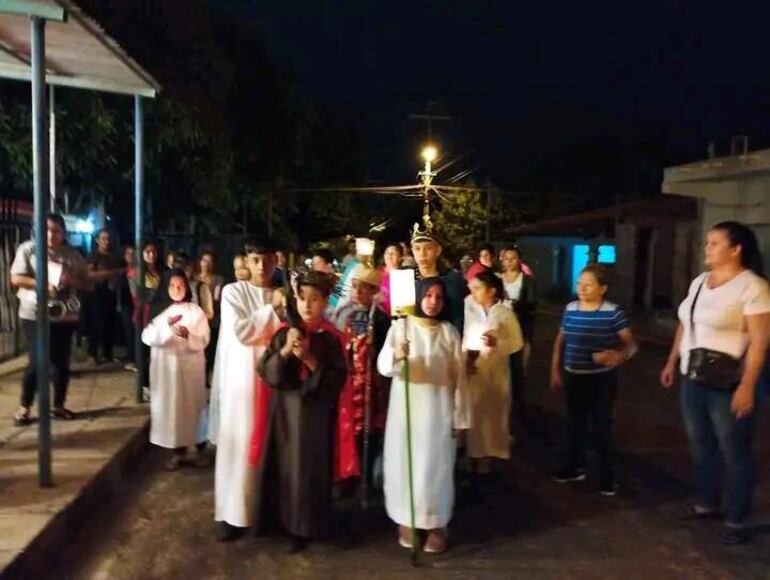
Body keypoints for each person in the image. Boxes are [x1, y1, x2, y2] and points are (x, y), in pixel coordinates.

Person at [659, 221, 770, 545]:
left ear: (736, 249)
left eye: (714, 243)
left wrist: (748, 385)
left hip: (729, 382)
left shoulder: (753, 287)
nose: (705, 248)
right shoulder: (699, 282)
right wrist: (671, 362)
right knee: (700, 445)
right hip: (693, 377)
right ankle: (706, 503)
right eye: (707, 242)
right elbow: (684, 325)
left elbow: (760, 342)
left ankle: (737, 518)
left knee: (734, 450)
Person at [252, 271, 348, 553]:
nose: (307, 305)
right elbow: (266, 372)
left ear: (326, 302)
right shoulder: (284, 332)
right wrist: (285, 353)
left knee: (308, 471)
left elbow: (335, 381)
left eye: (315, 299)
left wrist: (308, 357)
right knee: (284, 468)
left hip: (315, 418)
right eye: (302, 298)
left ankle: (306, 526)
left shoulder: (329, 339)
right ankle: (282, 523)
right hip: (283, 414)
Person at [377, 277, 471, 554]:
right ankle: (406, 520)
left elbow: (460, 380)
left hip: (438, 415)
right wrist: (396, 353)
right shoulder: (401, 327)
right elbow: (384, 366)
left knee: (435, 469)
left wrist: (460, 418)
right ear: (418, 297)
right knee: (405, 466)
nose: (432, 301)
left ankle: (435, 523)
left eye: (438, 297)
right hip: (406, 416)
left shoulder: (450, 333)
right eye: (427, 295)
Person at [209, 242, 284, 542]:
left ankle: (267, 512)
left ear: (275, 261)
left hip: (275, 381)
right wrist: (273, 308)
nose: (262, 267)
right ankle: (233, 513)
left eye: (267, 260)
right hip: (243, 383)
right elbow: (242, 331)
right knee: (239, 445)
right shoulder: (233, 292)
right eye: (256, 260)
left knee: (270, 446)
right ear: (247, 262)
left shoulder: (283, 294)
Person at [549, 264, 636, 496]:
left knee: (601, 426)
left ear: (602, 288)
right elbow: (560, 342)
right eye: (579, 284)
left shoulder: (613, 312)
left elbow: (631, 344)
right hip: (573, 375)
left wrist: (618, 356)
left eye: (588, 285)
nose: (582, 288)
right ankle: (573, 467)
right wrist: (555, 370)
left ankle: (607, 477)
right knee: (573, 424)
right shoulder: (570, 309)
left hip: (601, 379)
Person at [11, 214, 90, 425]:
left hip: (64, 314)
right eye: (46, 229)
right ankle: (25, 406)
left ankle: (59, 405)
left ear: (63, 232)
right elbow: (16, 278)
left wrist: (71, 279)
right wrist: (42, 283)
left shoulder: (72, 254)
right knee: (37, 361)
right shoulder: (28, 249)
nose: (51, 234)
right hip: (34, 314)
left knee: (61, 362)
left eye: (56, 230)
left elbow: (86, 283)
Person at [142, 270, 210, 470]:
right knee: (173, 411)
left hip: (190, 370)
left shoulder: (196, 311)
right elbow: (147, 336)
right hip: (166, 371)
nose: (177, 289)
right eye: (173, 286)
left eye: (181, 285)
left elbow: (204, 339)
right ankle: (177, 452)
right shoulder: (160, 311)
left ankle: (200, 449)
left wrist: (188, 335)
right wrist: (167, 329)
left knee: (194, 408)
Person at [334, 265, 392, 491]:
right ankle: (348, 474)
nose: (358, 293)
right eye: (355, 287)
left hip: (371, 383)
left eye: (364, 289)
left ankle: (368, 476)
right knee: (348, 428)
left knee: (369, 430)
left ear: (374, 291)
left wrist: (373, 351)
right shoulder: (343, 315)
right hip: (348, 382)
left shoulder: (380, 318)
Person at [464, 270, 523, 472]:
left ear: (491, 291)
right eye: (472, 288)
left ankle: (487, 459)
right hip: (475, 372)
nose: (473, 292)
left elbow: (516, 342)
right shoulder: (473, 310)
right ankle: (474, 456)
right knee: (475, 415)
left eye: (478, 288)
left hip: (495, 375)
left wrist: (497, 342)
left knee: (492, 417)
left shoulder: (505, 314)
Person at [499, 245, 537, 429]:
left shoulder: (528, 281)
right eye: (506, 258)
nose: (509, 262)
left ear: (519, 260)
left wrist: (515, 306)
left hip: (520, 331)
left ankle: (518, 412)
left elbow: (532, 306)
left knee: (518, 372)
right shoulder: (498, 280)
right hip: (500, 332)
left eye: (513, 258)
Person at [410, 218, 466, 333]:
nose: (422, 254)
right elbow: (400, 317)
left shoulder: (451, 280)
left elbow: (458, 318)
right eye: (417, 248)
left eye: (428, 248)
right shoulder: (405, 278)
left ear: (438, 250)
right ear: (412, 251)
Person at [128, 241, 162, 396]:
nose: (151, 255)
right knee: (143, 353)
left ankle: (154, 383)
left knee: (156, 353)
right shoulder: (135, 273)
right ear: (141, 254)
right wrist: (154, 294)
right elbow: (137, 294)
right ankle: (143, 385)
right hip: (143, 316)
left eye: (153, 251)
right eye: (147, 251)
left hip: (159, 316)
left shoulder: (159, 272)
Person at [85, 229, 124, 365]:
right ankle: (92, 353)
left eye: (108, 239)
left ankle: (108, 353)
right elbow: (89, 275)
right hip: (97, 293)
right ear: (97, 241)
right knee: (96, 323)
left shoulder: (115, 257)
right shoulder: (93, 256)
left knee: (110, 323)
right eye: (103, 239)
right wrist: (110, 274)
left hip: (112, 293)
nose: (106, 241)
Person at [197, 251, 225, 383]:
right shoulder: (195, 277)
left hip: (213, 320)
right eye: (204, 260)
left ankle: (208, 378)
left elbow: (217, 298)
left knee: (211, 350)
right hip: (196, 321)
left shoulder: (218, 279)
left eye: (209, 261)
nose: (206, 264)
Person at [118, 245, 137, 371]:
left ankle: (135, 358)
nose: (130, 255)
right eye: (128, 253)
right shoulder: (122, 271)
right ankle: (130, 356)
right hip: (125, 305)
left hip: (135, 304)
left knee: (133, 331)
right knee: (128, 331)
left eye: (133, 253)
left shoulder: (138, 270)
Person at [379, 243, 403, 316]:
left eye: (393, 254)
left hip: (393, 318)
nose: (389, 256)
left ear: (400, 257)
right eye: (387, 253)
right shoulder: (376, 273)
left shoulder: (403, 277)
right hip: (375, 315)